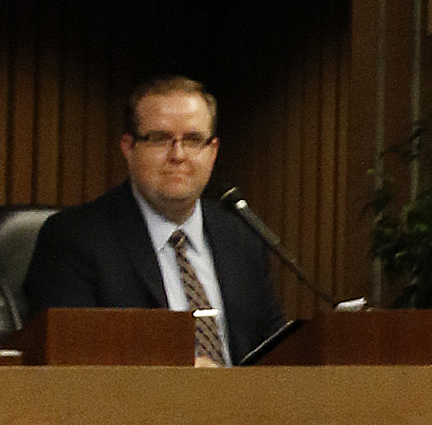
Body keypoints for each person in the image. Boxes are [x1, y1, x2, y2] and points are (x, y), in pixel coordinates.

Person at [22, 74, 282, 363]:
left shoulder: (240, 236)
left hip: (243, 406)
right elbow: (69, 356)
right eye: (160, 139)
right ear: (128, 147)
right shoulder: (75, 239)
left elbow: (274, 350)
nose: (178, 155)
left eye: (194, 140)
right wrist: (176, 373)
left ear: (213, 151)